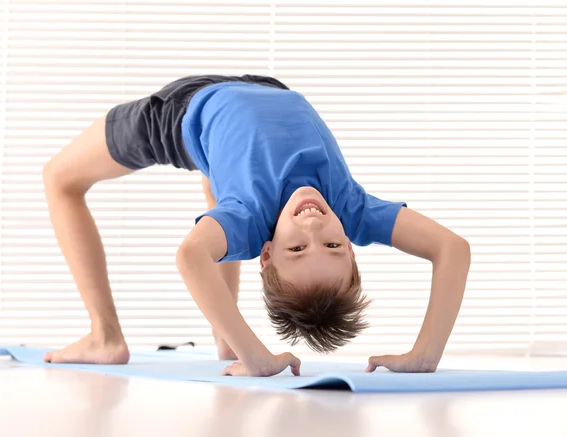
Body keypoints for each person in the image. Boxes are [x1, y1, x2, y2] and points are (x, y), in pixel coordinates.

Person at [41, 74, 471, 376]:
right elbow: (453, 249)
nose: (314, 227)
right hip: (265, 86)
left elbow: (190, 256)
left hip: (184, 111)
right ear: (352, 244)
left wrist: (259, 358)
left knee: (59, 179)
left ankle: (105, 335)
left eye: (297, 250)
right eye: (334, 246)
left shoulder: (248, 216)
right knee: (218, 196)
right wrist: (425, 355)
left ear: (265, 253)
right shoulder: (353, 210)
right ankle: (225, 340)